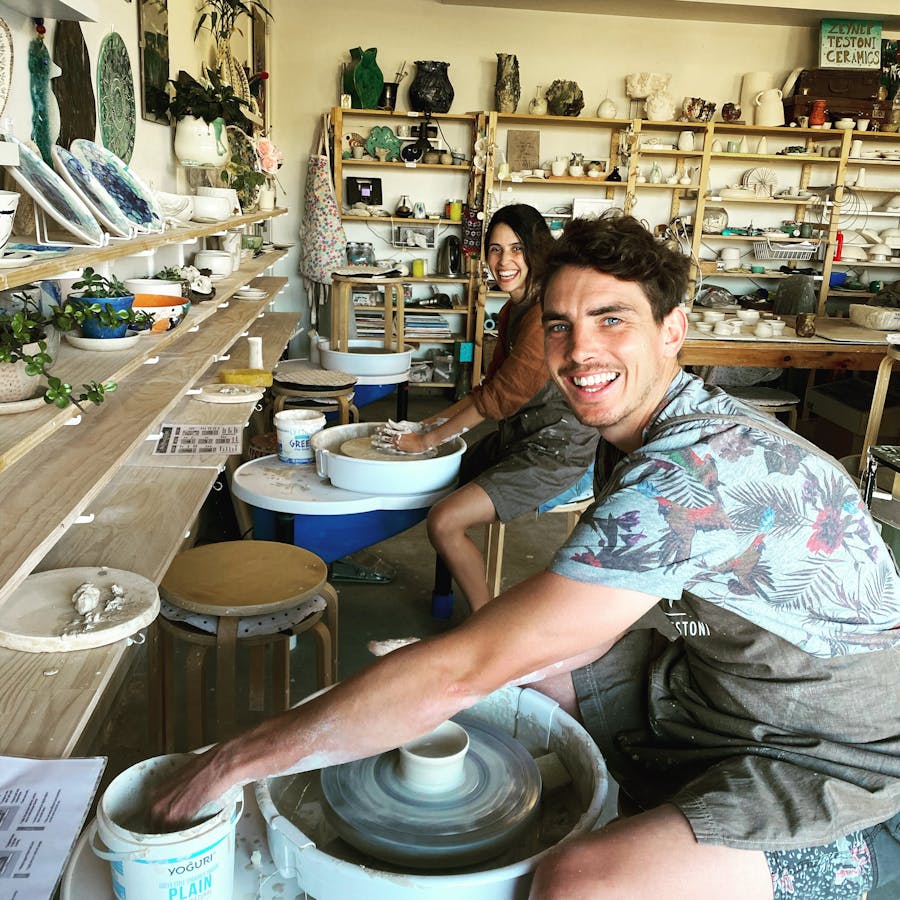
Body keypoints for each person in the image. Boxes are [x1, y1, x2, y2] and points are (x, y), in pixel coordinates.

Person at [154, 213, 900, 899]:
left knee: (573, 881)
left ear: (672, 329)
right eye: (560, 327)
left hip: (842, 764)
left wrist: (229, 762)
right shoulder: (649, 434)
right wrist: (468, 665)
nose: (580, 352)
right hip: (722, 694)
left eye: (613, 321)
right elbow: (571, 634)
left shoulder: (693, 475)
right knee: (519, 677)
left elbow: (469, 669)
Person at [379, 203, 598, 613]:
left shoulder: (544, 317)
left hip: (561, 452)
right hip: (522, 437)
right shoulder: (513, 308)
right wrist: (423, 423)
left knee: (445, 519)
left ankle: (483, 624)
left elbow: (498, 400)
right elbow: (489, 388)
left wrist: (427, 438)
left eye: (516, 249)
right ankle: (445, 591)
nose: (504, 261)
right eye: (495, 250)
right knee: (445, 477)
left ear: (537, 252)